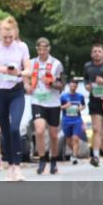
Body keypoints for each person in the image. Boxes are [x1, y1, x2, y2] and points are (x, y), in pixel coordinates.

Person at [0, 17, 32, 182]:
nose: (8, 40)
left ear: (15, 33)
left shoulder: (22, 47)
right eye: (5, 38)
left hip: (16, 92)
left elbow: (29, 70)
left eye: (11, 37)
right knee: (5, 132)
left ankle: (17, 166)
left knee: (15, 128)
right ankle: (10, 166)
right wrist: (0, 69)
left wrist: (18, 73)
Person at [28, 37, 65, 175]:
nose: (42, 51)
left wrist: (51, 83)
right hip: (37, 101)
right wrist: (27, 86)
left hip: (53, 103)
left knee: (54, 134)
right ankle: (42, 159)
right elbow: (25, 78)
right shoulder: (31, 63)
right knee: (39, 131)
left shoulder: (57, 64)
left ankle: (53, 161)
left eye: (45, 48)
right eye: (39, 48)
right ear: (36, 49)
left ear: (49, 48)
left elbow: (62, 85)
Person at [85, 43, 103, 167]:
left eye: (99, 51)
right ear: (91, 54)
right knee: (96, 129)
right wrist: (88, 86)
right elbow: (86, 79)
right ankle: (96, 156)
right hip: (94, 100)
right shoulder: (87, 66)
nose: (97, 53)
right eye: (95, 51)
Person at [60, 81, 86, 166]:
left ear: (76, 87)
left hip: (77, 120)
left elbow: (83, 105)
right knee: (68, 141)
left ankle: (74, 156)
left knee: (75, 138)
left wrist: (80, 108)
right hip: (66, 120)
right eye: (71, 86)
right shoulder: (64, 97)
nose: (73, 88)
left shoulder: (80, 96)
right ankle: (74, 152)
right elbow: (59, 107)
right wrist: (65, 106)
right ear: (69, 86)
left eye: (74, 86)